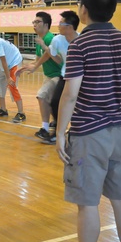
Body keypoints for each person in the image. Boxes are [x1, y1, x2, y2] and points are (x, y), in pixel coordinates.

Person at [55, 0, 121, 242]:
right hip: (119, 132)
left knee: (87, 203)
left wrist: (59, 133)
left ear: (83, 10)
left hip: (88, 134)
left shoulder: (80, 45)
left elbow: (70, 94)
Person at [16, 12, 61, 136]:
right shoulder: (40, 40)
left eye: (37, 22)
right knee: (50, 101)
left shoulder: (49, 38)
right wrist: (24, 67)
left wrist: (35, 67)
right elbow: (38, 60)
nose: (34, 25)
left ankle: (45, 129)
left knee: (42, 96)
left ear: (46, 25)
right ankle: (56, 123)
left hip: (58, 75)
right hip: (49, 75)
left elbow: (47, 55)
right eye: (33, 22)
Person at [46, 10, 80, 145]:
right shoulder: (57, 40)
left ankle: (76, 132)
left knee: (78, 106)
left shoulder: (82, 39)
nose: (58, 26)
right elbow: (53, 55)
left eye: (61, 23)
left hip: (81, 78)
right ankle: (57, 131)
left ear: (70, 27)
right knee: (55, 102)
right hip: (65, 75)